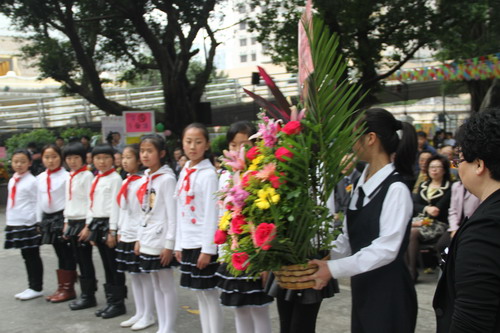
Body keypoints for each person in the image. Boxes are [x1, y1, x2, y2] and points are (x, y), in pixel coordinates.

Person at [303, 108, 418, 333]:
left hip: (390, 294)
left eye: (353, 135)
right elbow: (346, 240)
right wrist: (317, 259)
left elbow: (386, 249)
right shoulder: (361, 184)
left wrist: (333, 269)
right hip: (364, 289)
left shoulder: (396, 189)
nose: (350, 142)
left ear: (371, 138)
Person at [434, 108, 500, 332]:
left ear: (479, 164)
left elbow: (472, 318)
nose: (457, 166)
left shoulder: (485, 228)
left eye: (458, 159)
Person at [215, 121, 273, 333]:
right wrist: (223, 254)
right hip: (234, 253)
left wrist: (266, 261)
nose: (239, 150)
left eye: (245, 145)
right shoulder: (224, 177)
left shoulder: (260, 175)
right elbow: (222, 216)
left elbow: (267, 217)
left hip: (256, 252)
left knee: (259, 309)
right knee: (239, 307)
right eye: (233, 145)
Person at [174, 123, 223, 333]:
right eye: (188, 141)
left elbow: (212, 214)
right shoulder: (185, 170)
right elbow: (180, 210)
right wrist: (178, 244)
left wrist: (208, 249)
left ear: (207, 145)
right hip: (188, 242)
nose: (192, 146)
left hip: (202, 244)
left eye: (198, 142)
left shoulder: (209, 174)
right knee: (199, 293)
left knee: (210, 294)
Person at [135, 135, 178, 332]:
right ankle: (162, 324)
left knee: (166, 285)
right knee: (155, 283)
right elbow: (143, 210)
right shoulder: (147, 177)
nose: (144, 154)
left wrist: (169, 244)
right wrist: (139, 238)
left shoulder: (167, 179)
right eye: (142, 150)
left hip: (161, 239)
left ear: (161, 154)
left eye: (149, 151)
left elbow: (172, 214)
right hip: (148, 236)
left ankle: (168, 326)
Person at [115, 144, 156, 330]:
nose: (124, 161)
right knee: (134, 276)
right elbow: (123, 209)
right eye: (123, 157)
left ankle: (149, 314)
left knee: (143, 277)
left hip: (138, 235)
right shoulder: (126, 181)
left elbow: (144, 212)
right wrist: (119, 230)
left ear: (138, 161)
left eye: (129, 157)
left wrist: (140, 236)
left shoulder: (142, 182)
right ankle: (139, 312)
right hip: (126, 233)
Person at [87, 144, 126, 319]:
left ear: (113, 160)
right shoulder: (97, 178)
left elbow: (116, 206)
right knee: (105, 264)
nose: (101, 162)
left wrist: (113, 230)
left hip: (109, 225)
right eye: (98, 158)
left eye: (105, 158)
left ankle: (118, 304)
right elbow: (92, 203)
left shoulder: (115, 179)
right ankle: (111, 301)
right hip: (98, 223)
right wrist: (89, 227)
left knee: (114, 265)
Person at [36, 144, 76, 303]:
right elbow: (38, 200)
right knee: (59, 252)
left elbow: (69, 199)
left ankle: (69, 289)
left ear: (60, 158)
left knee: (68, 253)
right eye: (47, 157)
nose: (50, 160)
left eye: (54, 157)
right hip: (48, 218)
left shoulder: (66, 177)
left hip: (62, 217)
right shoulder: (40, 178)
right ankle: (62, 287)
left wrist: (68, 220)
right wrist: (38, 221)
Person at [62, 142, 98, 311]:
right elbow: (68, 200)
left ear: (83, 158)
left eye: (76, 157)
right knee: (77, 258)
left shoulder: (87, 176)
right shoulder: (70, 176)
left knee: (85, 260)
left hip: (84, 221)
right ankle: (84, 294)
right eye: (69, 158)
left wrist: (88, 226)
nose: (72, 161)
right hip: (72, 221)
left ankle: (88, 295)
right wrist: (66, 222)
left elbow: (91, 202)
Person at [5, 149, 44, 300]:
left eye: (22, 161)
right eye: (16, 161)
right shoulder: (13, 179)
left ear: (30, 163)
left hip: (28, 223)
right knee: (25, 255)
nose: (19, 164)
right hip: (15, 221)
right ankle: (31, 286)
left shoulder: (32, 181)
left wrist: (37, 223)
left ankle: (36, 287)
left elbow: (37, 202)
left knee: (32, 255)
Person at [409, 155, 452, 281]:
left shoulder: (449, 187)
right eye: (432, 167)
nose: (434, 170)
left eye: (438, 167)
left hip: (438, 223)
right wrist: (426, 209)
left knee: (412, 233)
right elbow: (414, 204)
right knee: (403, 230)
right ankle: (406, 270)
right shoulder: (423, 185)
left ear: (444, 170)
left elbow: (438, 209)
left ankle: (412, 272)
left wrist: (428, 210)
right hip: (420, 220)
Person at [435, 180, 480, 256]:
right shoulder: (456, 186)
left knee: (464, 246)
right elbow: (453, 210)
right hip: (457, 225)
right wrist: (454, 228)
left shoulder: (478, 186)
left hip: (473, 225)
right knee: (441, 245)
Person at [334, 153, 361, 227]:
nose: (344, 166)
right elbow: (338, 199)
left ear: (354, 164)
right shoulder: (339, 181)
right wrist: (335, 213)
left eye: (347, 162)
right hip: (340, 220)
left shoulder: (360, 179)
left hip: (355, 217)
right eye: (342, 163)